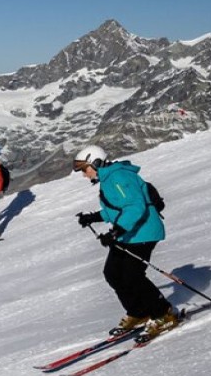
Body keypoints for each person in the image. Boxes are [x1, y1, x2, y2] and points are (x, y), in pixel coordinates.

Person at [72, 145, 180, 340]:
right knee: (112, 273)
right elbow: (117, 209)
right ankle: (139, 311)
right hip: (129, 233)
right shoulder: (108, 179)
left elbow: (135, 207)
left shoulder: (119, 177)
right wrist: (93, 217)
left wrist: (117, 231)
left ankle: (164, 313)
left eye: (85, 169)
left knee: (132, 276)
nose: (84, 175)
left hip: (143, 232)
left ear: (96, 163)